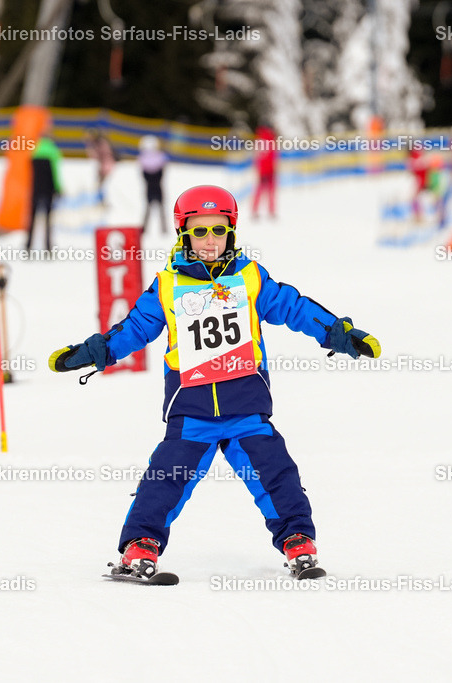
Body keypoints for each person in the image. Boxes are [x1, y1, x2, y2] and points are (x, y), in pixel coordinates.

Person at [48, 185, 380, 580]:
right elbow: (135, 328)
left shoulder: (249, 277)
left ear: (231, 232)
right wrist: (96, 351)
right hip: (192, 411)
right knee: (164, 479)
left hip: (246, 406)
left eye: (219, 231)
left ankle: (298, 542)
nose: (210, 241)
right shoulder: (168, 285)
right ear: (184, 234)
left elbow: (294, 307)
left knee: (277, 473)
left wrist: (338, 334)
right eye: (200, 231)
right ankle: (140, 547)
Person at [27, 134, 63, 251]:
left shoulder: (34, 150)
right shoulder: (53, 151)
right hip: (48, 190)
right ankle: (48, 246)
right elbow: (55, 172)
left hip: (35, 189)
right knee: (48, 220)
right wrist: (58, 188)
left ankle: (28, 246)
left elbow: (29, 173)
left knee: (32, 219)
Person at [138, 135, 168, 234]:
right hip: (156, 188)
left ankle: (149, 229)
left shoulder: (144, 160)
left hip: (152, 188)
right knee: (157, 209)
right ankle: (163, 229)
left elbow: (144, 175)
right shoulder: (160, 158)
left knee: (154, 209)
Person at [251, 123, 277, 219]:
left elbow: (257, 157)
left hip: (262, 170)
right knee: (270, 192)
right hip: (268, 170)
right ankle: (271, 211)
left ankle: (255, 211)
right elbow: (272, 157)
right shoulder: (270, 140)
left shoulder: (260, 140)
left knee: (260, 192)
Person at [86, 129, 116, 206]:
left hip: (105, 166)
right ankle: (103, 200)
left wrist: (89, 145)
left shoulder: (100, 145)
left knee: (102, 185)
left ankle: (102, 201)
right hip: (107, 165)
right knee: (102, 185)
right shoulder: (104, 143)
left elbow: (94, 156)